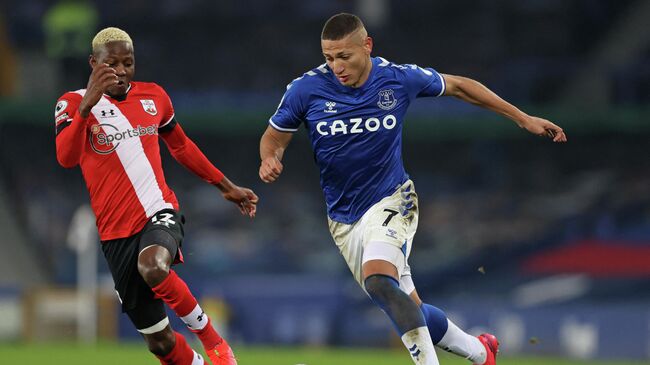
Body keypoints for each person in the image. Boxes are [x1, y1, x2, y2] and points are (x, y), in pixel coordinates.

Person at [259, 13, 566, 365]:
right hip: (343, 219)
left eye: (344, 57)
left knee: (377, 280)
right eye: (329, 58)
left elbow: (461, 86)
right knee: (407, 305)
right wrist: (271, 158)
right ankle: (482, 352)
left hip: (393, 199)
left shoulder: (398, 78)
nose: (336, 66)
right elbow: (273, 137)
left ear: (367, 46)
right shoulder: (306, 89)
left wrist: (523, 118)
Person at [55, 27, 257, 365]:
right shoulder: (72, 102)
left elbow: (181, 146)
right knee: (160, 344)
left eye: (128, 63)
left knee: (152, 265)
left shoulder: (154, 97)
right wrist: (87, 106)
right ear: (93, 63)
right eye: (111, 64)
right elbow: (66, 157)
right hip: (115, 234)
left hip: (158, 211)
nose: (120, 71)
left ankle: (215, 342)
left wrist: (226, 186)